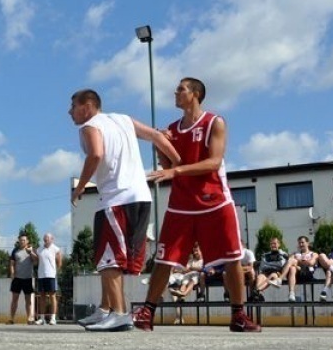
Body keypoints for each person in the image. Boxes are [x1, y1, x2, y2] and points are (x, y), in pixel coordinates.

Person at [134, 78, 262, 333]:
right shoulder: (172, 129)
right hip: (181, 204)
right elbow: (169, 168)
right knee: (164, 260)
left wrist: (176, 170)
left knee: (232, 259)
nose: (175, 92)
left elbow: (214, 162)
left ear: (195, 94)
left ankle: (238, 315)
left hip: (214, 202)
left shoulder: (215, 122)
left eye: (181, 88)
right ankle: (146, 313)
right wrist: (161, 144)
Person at [68, 88, 180, 332]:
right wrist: (179, 165)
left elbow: (96, 154)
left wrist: (80, 188)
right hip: (141, 197)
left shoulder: (88, 127)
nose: (70, 112)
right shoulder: (123, 119)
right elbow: (158, 137)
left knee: (109, 261)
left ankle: (120, 314)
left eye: (73, 106)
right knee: (114, 260)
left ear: (87, 106)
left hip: (116, 199)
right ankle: (105, 310)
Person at [279, 235, 333, 301]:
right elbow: (289, 262)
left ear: (307, 243)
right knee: (292, 268)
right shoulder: (295, 253)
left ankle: (280, 279)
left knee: (292, 262)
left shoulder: (313, 254)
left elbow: (311, 263)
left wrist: (298, 261)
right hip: (296, 275)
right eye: (299, 243)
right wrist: (298, 264)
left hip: (308, 274)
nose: (301, 244)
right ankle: (291, 294)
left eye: (302, 242)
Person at [33, 233, 64, 325]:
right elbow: (36, 260)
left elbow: (59, 263)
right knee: (42, 297)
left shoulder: (56, 249)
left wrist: (54, 272)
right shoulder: (39, 249)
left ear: (52, 239)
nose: (45, 240)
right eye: (44, 238)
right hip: (41, 276)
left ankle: (53, 318)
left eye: (47, 238)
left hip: (51, 276)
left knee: (52, 296)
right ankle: (42, 318)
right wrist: (31, 252)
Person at [7, 234, 37, 324]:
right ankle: (11, 319)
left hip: (27, 278)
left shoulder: (31, 250)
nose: (22, 241)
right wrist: (12, 273)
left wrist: (30, 252)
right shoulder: (15, 251)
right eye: (20, 240)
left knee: (28, 300)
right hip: (17, 279)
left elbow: (36, 261)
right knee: (14, 300)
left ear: (27, 241)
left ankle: (29, 319)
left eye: (24, 240)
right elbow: (12, 264)